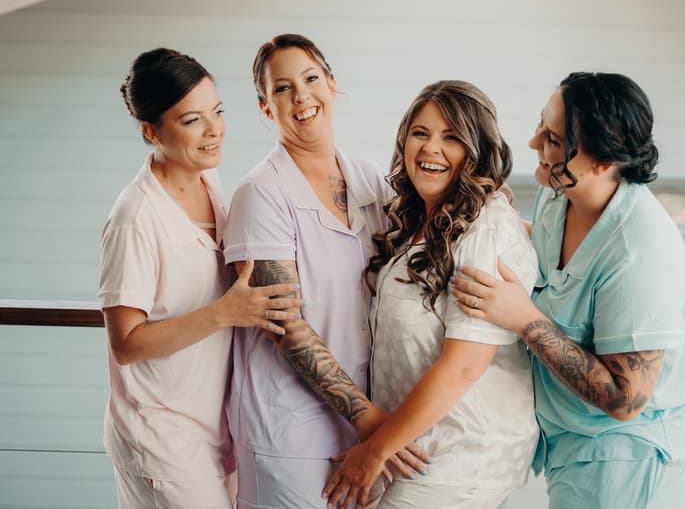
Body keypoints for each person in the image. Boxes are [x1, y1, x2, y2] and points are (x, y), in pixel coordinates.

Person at [451, 72, 685, 508]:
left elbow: (625, 398)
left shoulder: (640, 250)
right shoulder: (559, 195)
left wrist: (525, 320)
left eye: (552, 139)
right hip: (574, 443)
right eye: (541, 126)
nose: (534, 143)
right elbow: (546, 257)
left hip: (630, 454)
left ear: (603, 162)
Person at [222, 34, 429, 509]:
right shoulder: (261, 193)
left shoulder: (371, 180)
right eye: (282, 88)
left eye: (311, 78)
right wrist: (371, 423)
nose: (302, 97)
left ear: (333, 85)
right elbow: (284, 325)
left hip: (369, 423)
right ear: (264, 108)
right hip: (290, 431)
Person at [98, 48, 302, 509]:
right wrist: (226, 312)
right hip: (161, 434)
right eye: (192, 120)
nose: (214, 130)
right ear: (152, 131)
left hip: (216, 424)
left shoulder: (211, 185)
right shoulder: (135, 216)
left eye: (218, 111)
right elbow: (126, 344)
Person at [321, 80, 539, 509]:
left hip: (462, 456)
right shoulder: (418, 222)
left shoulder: (486, 229)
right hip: (422, 448)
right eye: (421, 133)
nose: (431, 149)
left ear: (477, 151)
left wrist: (375, 450)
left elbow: (463, 366)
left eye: (452, 138)